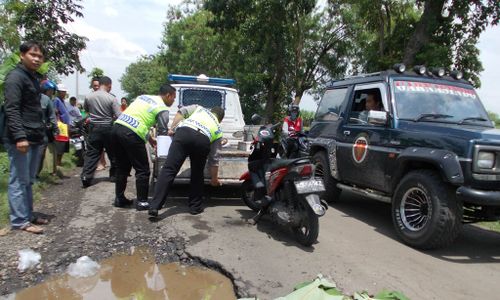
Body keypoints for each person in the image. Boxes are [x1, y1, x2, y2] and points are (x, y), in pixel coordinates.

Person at [1, 41, 48, 234]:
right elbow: (11, 109)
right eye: (32, 55)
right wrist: (20, 136)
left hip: (34, 134)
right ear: (22, 55)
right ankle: (20, 220)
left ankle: (28, 215)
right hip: (21, 137)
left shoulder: (32, 78)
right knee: (19, 180)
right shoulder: (16, 77)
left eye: (39, 56)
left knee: (28, 179)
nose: (36, 59)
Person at [148, 105, 225, 217]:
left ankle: (154, 206)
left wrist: (172, 128)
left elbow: (181, 112)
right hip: (202, 141)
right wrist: (214, 179)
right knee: (197, 174)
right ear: (220, 119)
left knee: (169, 169)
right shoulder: (218, 129)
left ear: (211, 110)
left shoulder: (199, 109)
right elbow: (214, 158)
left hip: (184, 133)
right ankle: (195, 207)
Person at [111, 84, 176, 210]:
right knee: (143, 170)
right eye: (173, 98)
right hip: (131, 134)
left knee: (122, 167)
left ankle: (119, 199)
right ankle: (142, 202)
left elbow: (137, 119)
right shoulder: (162, 108)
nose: (173, 101)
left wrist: (150, 139)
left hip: (116, 129)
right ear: (168, 95)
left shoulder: (143, 97)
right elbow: (162, 131)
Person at [81, 76, 121, 188]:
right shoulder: (111, 98)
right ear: (109, 85)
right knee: (113, 153)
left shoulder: (89, 97)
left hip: (94, 128)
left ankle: (86, 177)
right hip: (108, 127)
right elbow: (118, 115)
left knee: (92, 153)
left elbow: (87, 110)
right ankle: (114, 176)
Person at [37, 80, 58, 178]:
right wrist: (55, 129)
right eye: (50, 91)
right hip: (43, 130)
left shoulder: (32, 97)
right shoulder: (46, 100)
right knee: (41, 153)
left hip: (34, 129)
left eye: (52, 91)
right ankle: (36, 174)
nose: (51, 93)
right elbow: (52, 116)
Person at [53, 84, 71, 166]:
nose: (64, 93)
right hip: (60, 126)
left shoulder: (62, 101)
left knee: (64, 145)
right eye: (62, 92)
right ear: (58, 92)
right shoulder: (56, 100)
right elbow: (55, 111)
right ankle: (57, 163)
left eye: (64, 92)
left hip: (65, 125)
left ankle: (59, 162)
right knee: (60, 144)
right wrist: (58, 121)